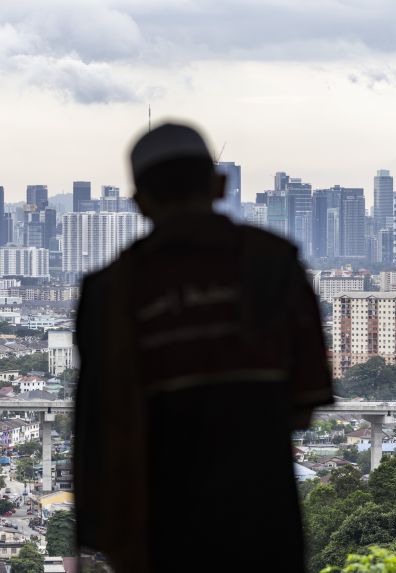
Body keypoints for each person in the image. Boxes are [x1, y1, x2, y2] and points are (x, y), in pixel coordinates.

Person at [74, 123, 333, 572]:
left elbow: (97, 425)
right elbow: (305, 403)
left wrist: (100, 536)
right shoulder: (273, 264)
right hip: (262, 522)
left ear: (140, 202)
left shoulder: (110, 291)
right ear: (219, 185)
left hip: (156, 528)